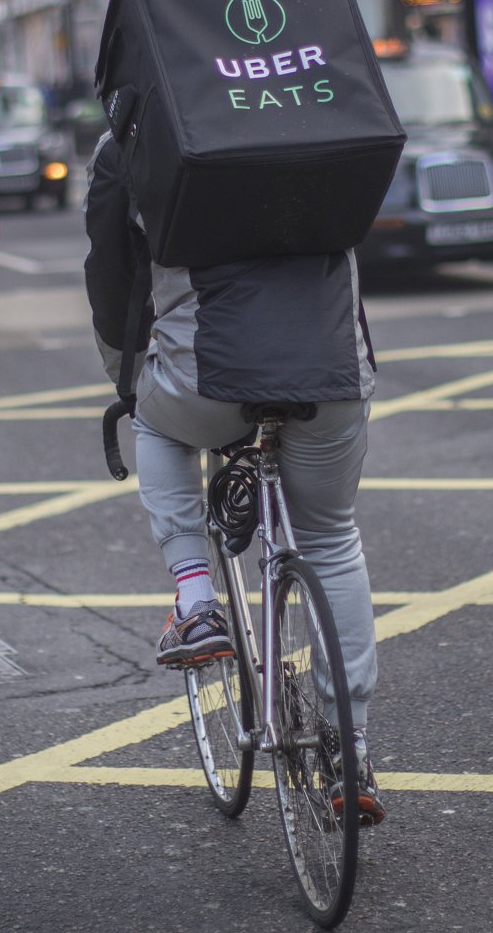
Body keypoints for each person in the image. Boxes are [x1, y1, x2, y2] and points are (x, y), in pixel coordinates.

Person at [84, 129, 385, 825]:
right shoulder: (320, 102)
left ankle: (196, 600)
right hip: (330, 367)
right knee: (331, 539)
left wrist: (125, 377)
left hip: (206, 375)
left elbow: (111, 277)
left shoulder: (135, 133)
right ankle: (354, 747)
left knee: (151, 421)